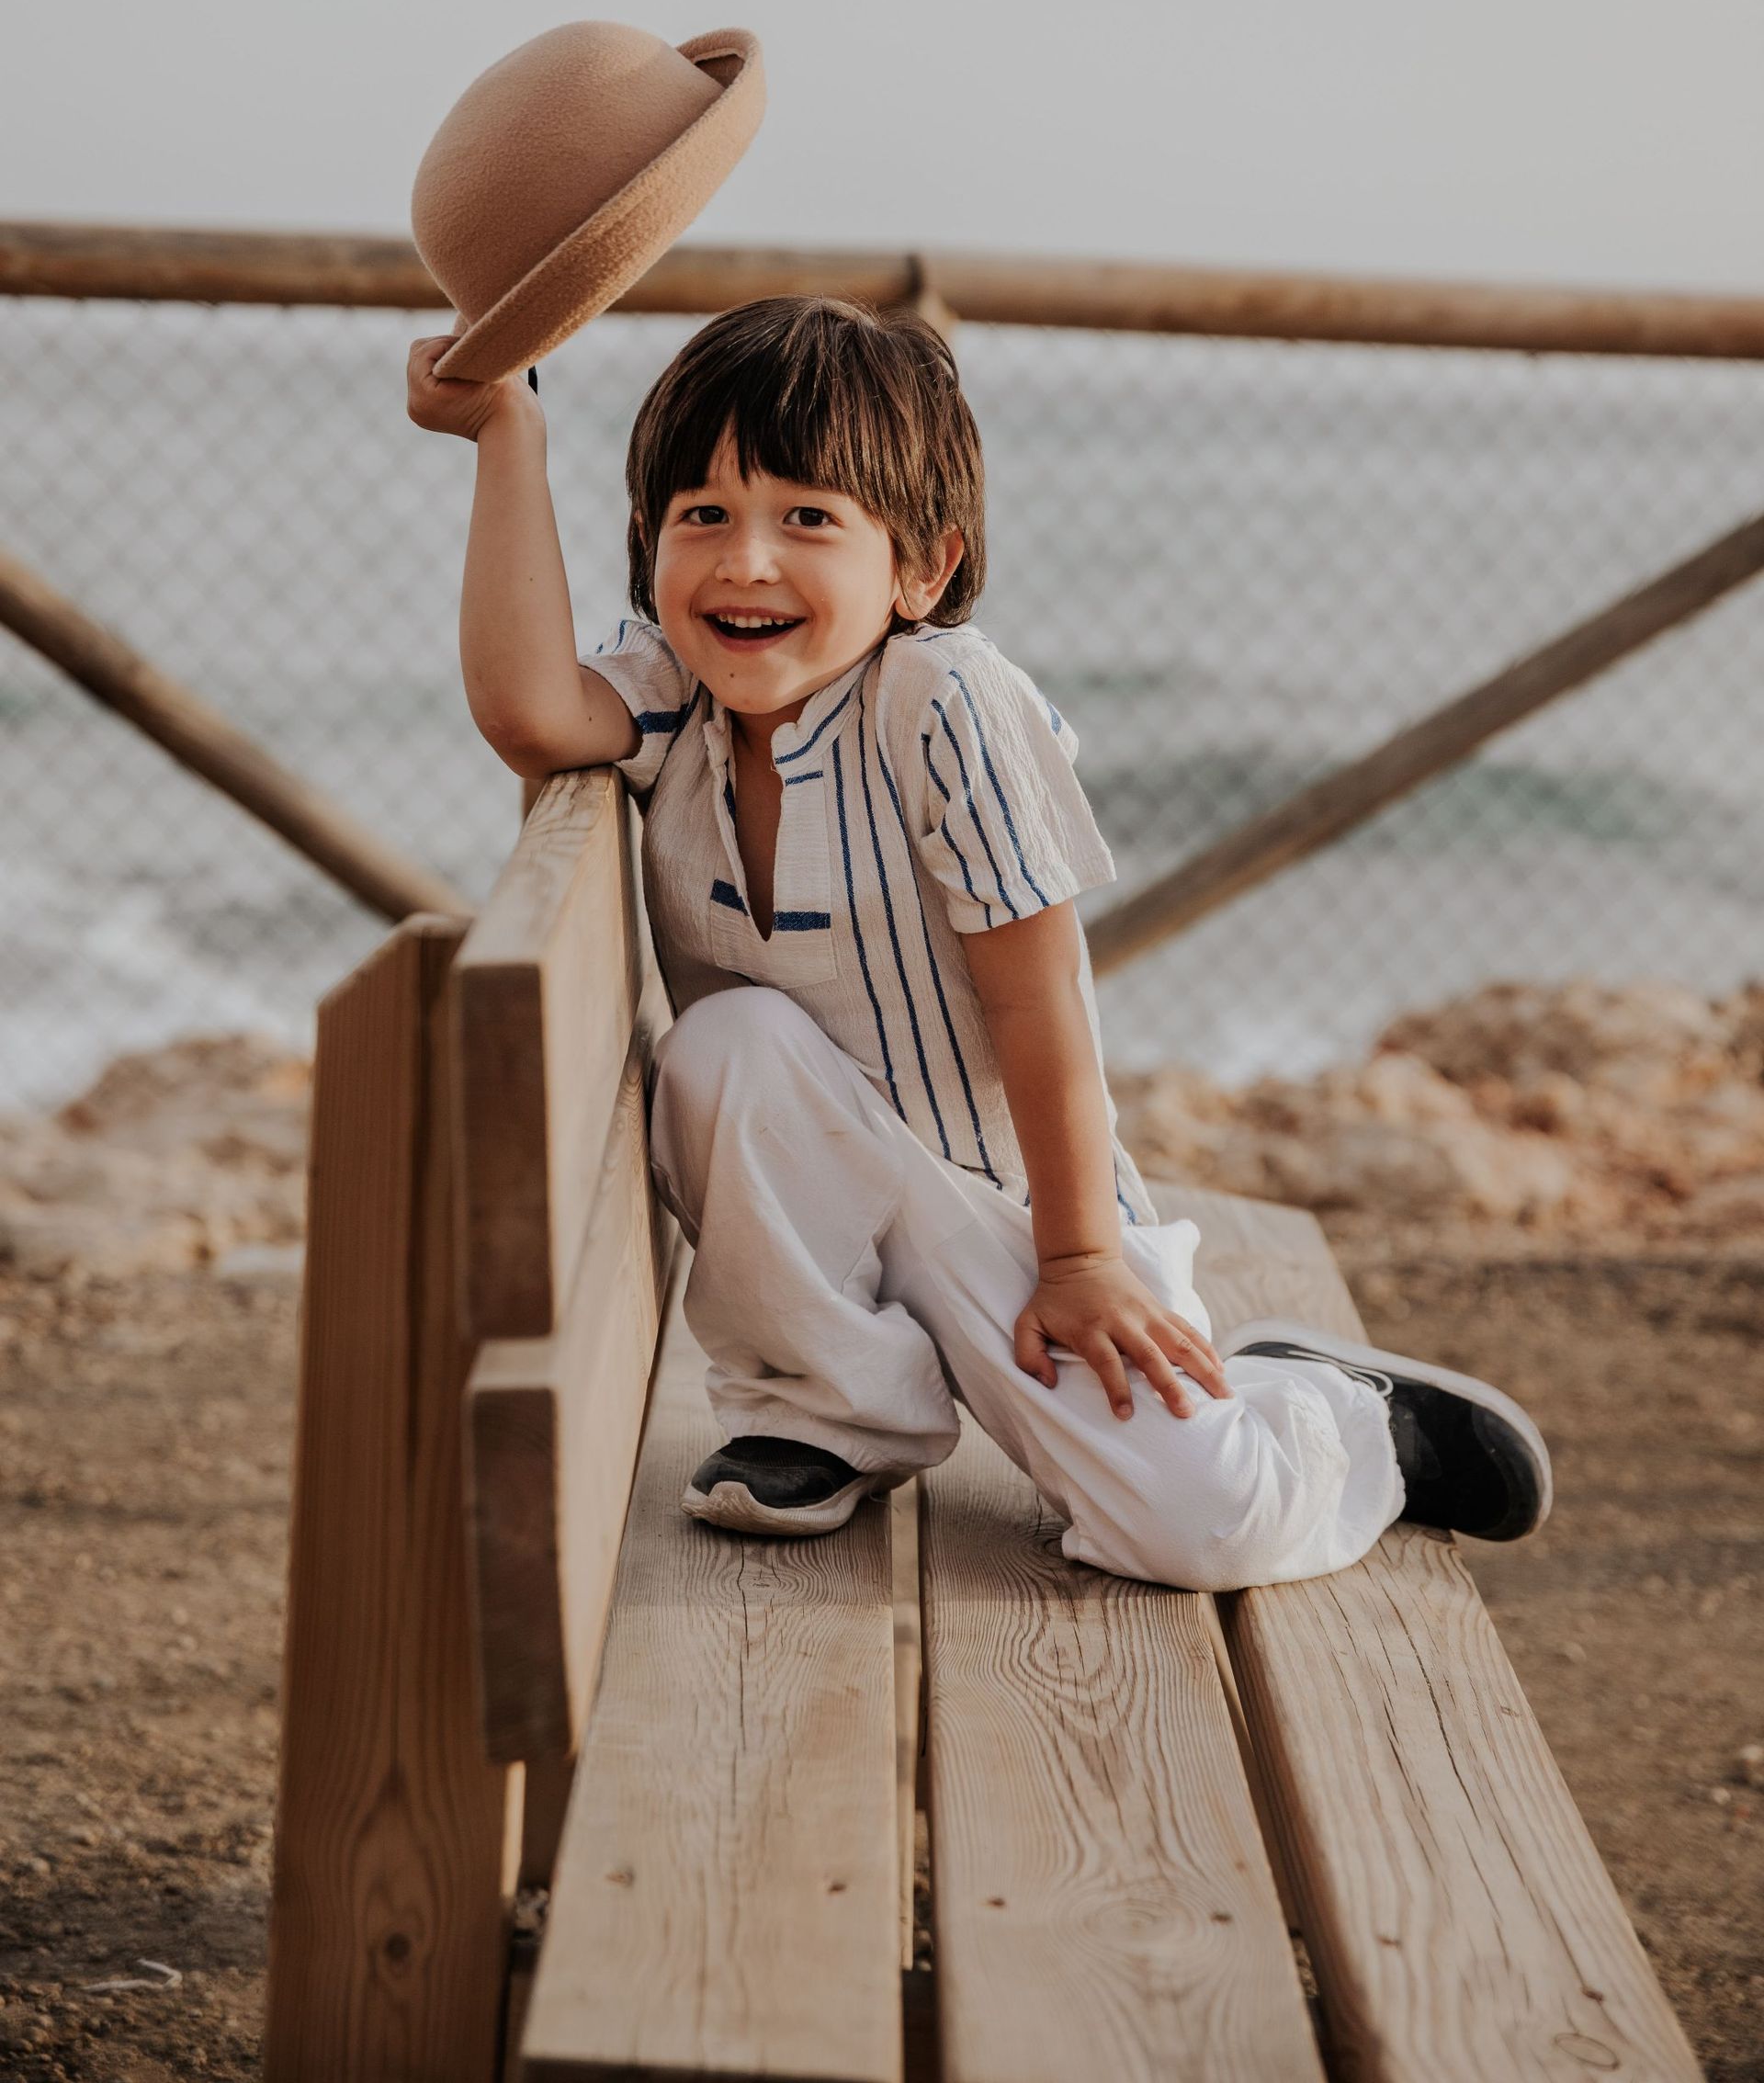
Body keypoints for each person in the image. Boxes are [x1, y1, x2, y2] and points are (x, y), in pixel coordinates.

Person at [407, 292, 1551, 1590]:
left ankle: (1334, 1410)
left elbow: (1042, 1006)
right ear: (649, 543)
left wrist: (1077, 1261)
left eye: (809, 520)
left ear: (922, 568)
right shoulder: (674, 692)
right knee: (724, 1045)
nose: (746, 563)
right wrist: (505, 433)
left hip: (1017, 1216)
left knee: (1193, 1531)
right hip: (820, 1221)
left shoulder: (942, 702)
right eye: (702, 517)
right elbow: (524, 711)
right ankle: (821, 1412)